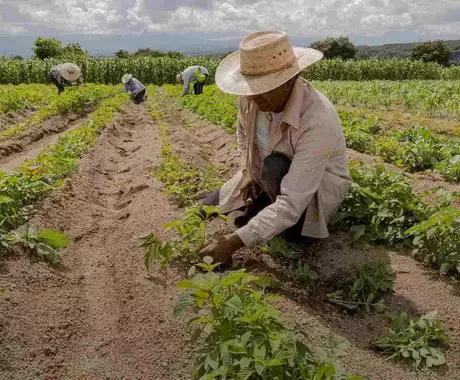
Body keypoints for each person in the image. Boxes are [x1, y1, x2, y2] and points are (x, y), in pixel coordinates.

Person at [199, 30, 352, 264]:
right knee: (205, 207)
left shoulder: (318, 120)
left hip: (309, 193)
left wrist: (232, 244)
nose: (254, 96)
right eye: (251, 87)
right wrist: (248, 171)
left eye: (265, 86)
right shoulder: (250, 99)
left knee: (275, 168)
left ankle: (284, 225)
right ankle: (261, 203)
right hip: (266, 176)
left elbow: (292, 203)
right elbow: (242, 133)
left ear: (291, 79)